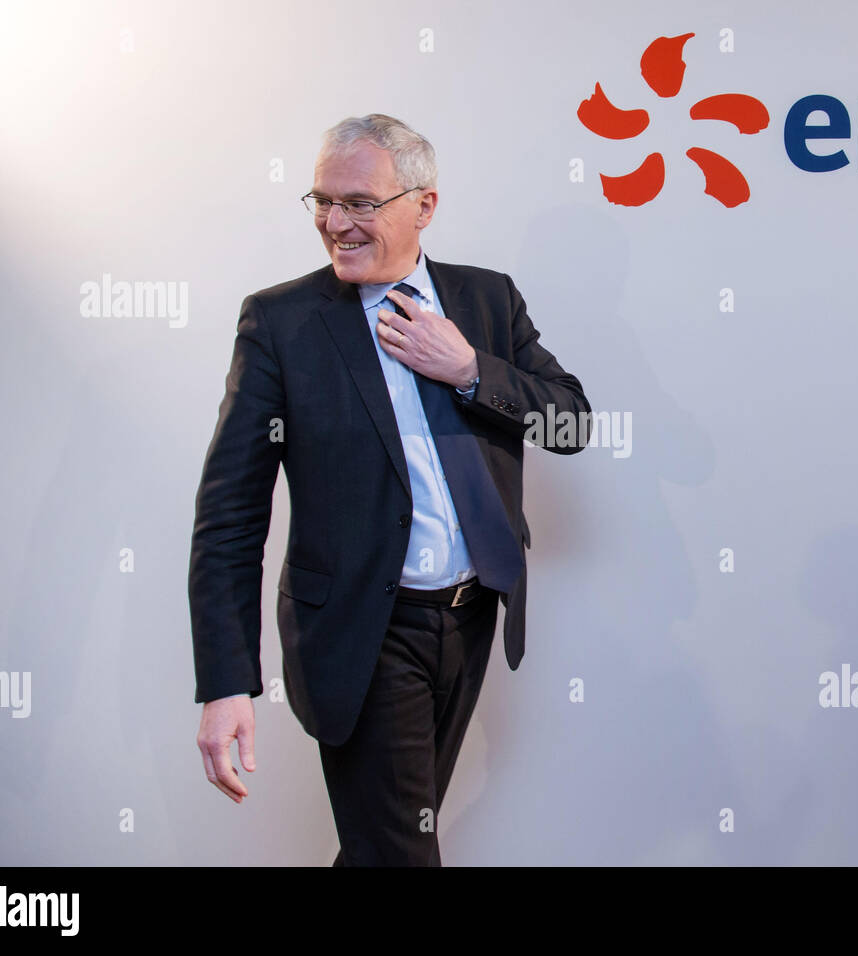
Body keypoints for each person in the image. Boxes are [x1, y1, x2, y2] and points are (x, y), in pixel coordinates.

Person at [188, 114, 590, 865]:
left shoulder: (487, 302)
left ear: (423, 206)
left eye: (360, 203)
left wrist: (471, 369)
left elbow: (570, 425)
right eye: (322, 201)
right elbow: (229, 513)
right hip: (361, 636)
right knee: (402, 851)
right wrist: (225, 683)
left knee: (388, 844)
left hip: (471, 618)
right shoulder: (282, 322)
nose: (335, 223)